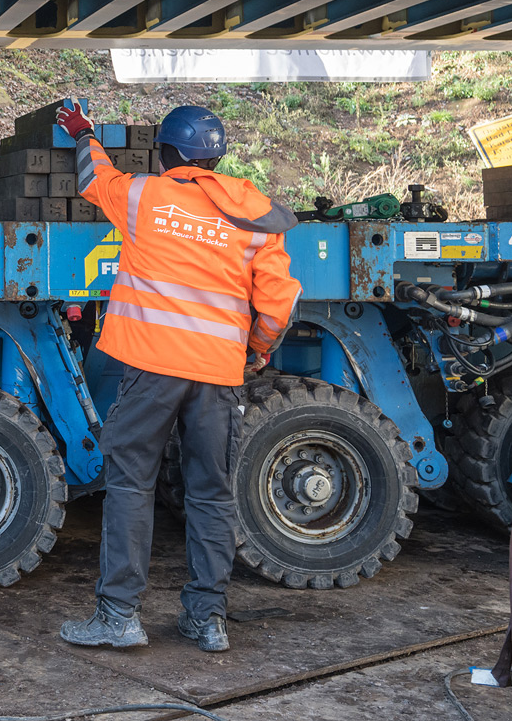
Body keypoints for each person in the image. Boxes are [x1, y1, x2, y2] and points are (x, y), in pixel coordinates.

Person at [55, 103, 301, 654]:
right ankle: (207, 619)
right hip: (217, 373)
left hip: (151, 368)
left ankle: (118, 617)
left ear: (165, 153)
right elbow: (279, 304)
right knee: (211, 493)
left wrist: (84, 132)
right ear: (217, 157)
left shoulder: (143, 196)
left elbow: (95, 177)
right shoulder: (254, 214)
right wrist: (256, 350)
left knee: (130, 486)